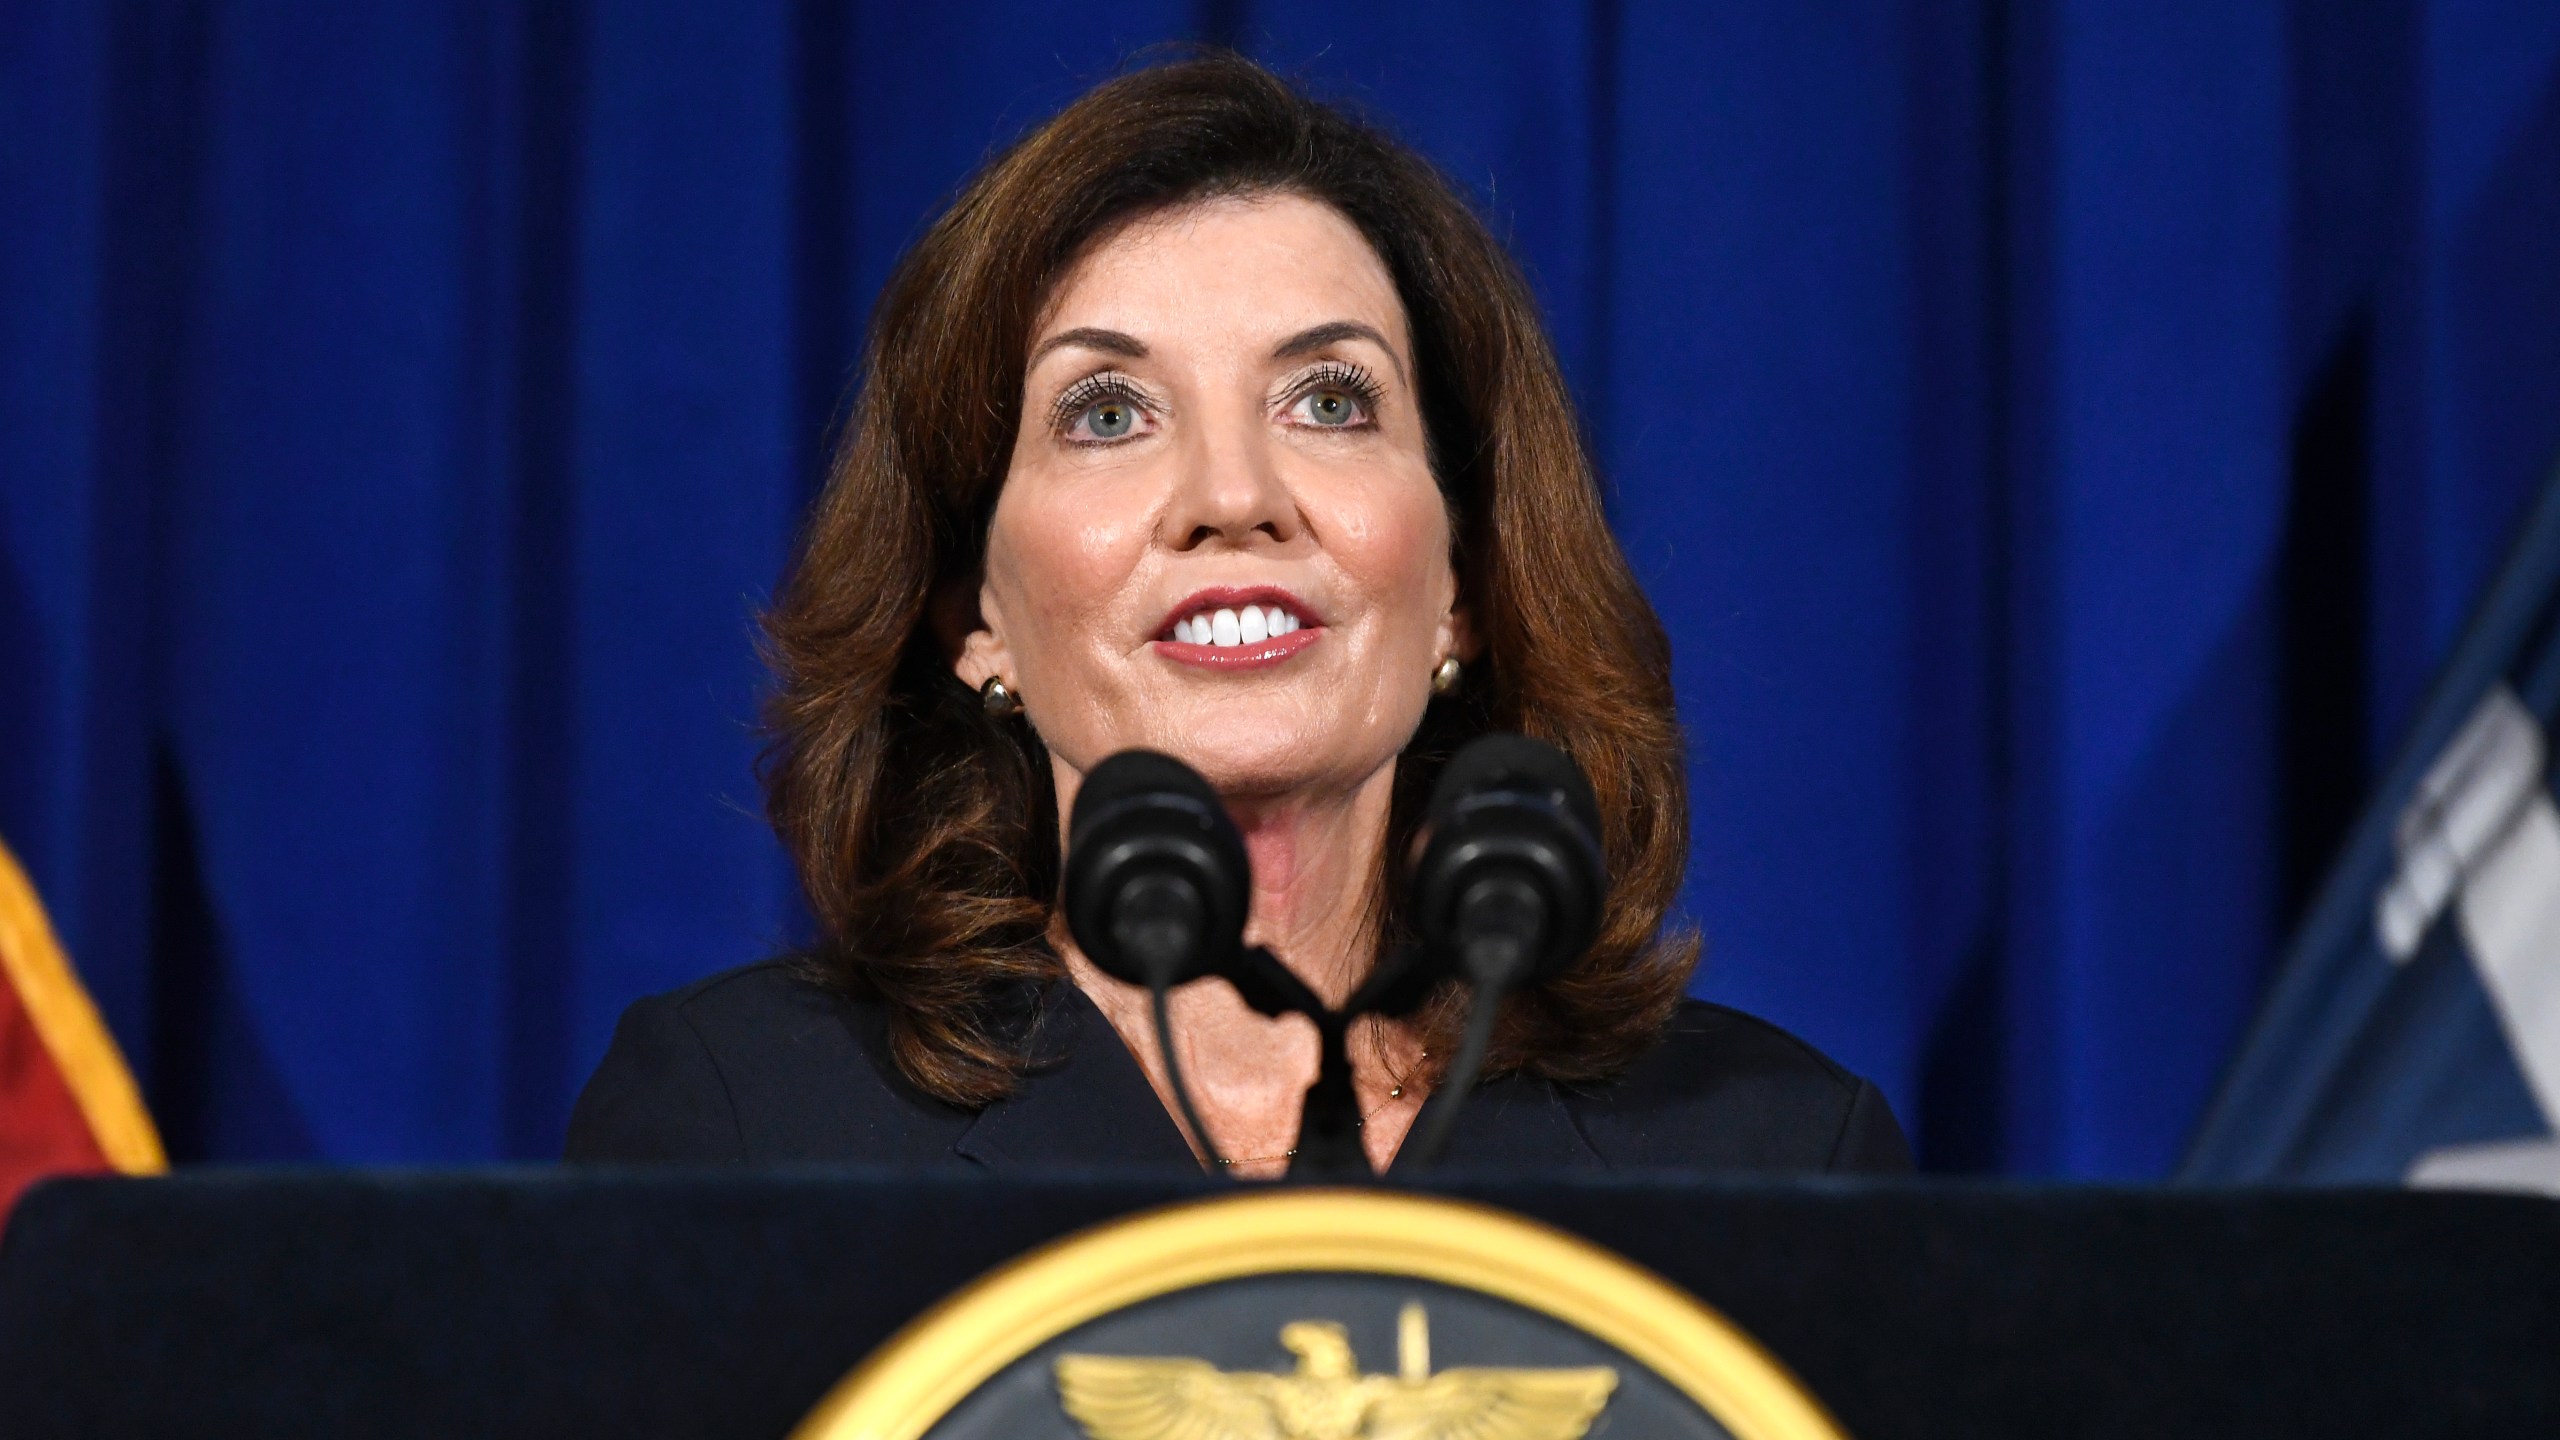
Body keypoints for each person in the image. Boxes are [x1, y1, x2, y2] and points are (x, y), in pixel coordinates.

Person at [566, 52, 1909, 1177]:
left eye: (1329, 402)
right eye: (1107, 414)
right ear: (971, 613)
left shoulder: (1772, 1158)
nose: (1231, 495)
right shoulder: (746, 1129)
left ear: (1466, 587)